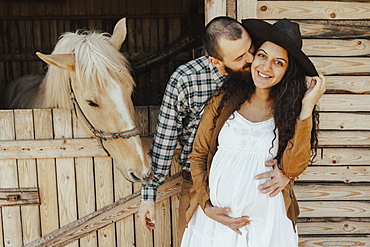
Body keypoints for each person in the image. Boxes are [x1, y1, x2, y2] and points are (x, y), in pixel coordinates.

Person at [138, 16, 289, 244]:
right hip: (198, 188)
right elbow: (164, 144)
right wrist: (148, 197)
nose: (251, 60)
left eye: (251, 49)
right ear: (216, 62)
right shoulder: (186, 80)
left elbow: (290, 135)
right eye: (240, 58)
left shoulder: (263, 71)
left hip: (261, 197)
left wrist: (288, 173)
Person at [181, 19, 326, 247]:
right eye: (262, 55)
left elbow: (295, 166)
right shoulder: (223, 101)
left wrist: (306, 108)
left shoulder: (293, 111)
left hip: (267, 225)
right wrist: (206, 205)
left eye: (278, 62)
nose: (266, 67)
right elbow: (198, 154)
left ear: (288, 70)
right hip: (216, 226)